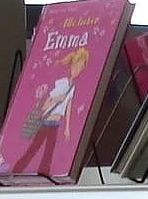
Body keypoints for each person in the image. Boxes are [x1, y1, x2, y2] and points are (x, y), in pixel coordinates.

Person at [10, 46, 90, 177]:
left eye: (81, 67)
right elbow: (48, 101)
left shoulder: (72, 86)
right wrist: (58, 98)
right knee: (34, 148)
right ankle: (17, 170)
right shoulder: (62, 83)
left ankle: (44, 175)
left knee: (49, 152)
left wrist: (67, 127)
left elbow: (69, 106)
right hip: (46, 121)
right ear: (71, 65)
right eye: (77, 66)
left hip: (56, 124)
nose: (78, 70)